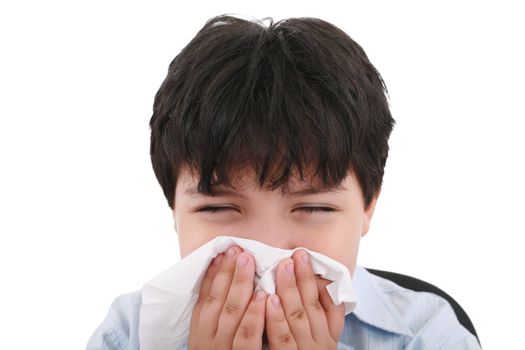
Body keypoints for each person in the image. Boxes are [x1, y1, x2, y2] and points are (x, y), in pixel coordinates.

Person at [86, 14, 481, 349]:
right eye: (219, 208)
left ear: (368, 206)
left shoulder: (427, 333)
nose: (269, 248)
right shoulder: (127, 334)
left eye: (314, 208)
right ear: (174, 210)